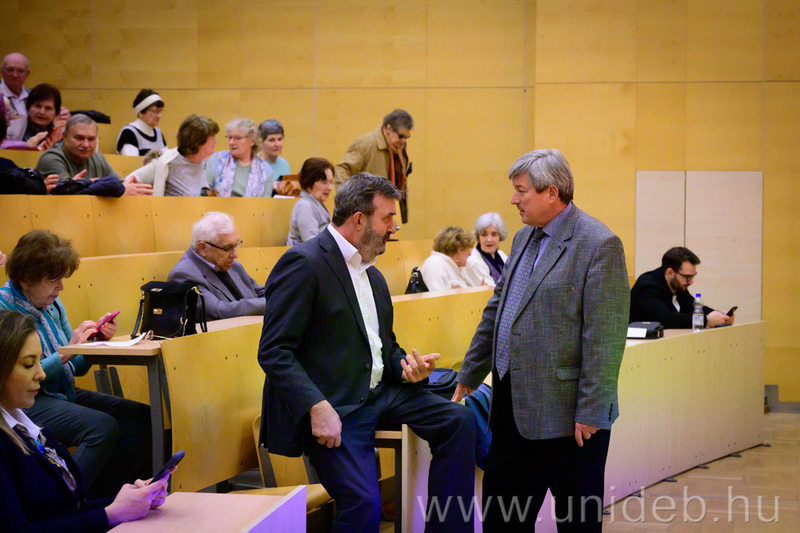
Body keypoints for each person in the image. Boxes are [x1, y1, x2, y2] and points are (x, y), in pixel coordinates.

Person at [259, 173, 476, 533]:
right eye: (388, 217)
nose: (394, 227)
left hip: (380, 394)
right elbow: (273, 351)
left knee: (459, 421)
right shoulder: (304, 263)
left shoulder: (372, 274)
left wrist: (405, 367)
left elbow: (383, 345)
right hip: (335, 405)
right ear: (359, 219)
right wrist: (316, 406)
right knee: (363, 505)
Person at [453, 149, 630, 531]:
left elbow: (606, 337)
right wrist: (469, 374)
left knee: (576, 524)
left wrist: (592, 410)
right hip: (510, 412)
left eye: (521, 191)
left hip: (571, 420)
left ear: (552, 193)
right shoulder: (522, 239)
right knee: (502, 522)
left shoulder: (599, 244)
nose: (513, 199)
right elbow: (498, 312)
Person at [0, 230, 152, 499]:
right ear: (25, 279)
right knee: (101, 428)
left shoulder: (52, 304)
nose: (61, 287)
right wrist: (69, 351)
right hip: (23, 399)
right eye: (53, 280)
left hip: (59, 390)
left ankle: (106, 497)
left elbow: (76, 368)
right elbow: (18, 375)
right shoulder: (5, 308)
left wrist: (92, 342)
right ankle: (65, 500)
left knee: (139, 417)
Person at [0, 310, 171, 533]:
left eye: (39, 362)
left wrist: (128, 501)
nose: (41, 374)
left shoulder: (33, 429)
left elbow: (69, 511)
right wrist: (110, 515)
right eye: (28, 365)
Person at [168, 212, 265, 320]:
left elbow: (261, 292)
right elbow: (218, 312)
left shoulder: (233, 265)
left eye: (236, 245)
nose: (235, 255)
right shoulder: (183, 275)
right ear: (203, 248)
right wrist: (269, 304)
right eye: (227, 248)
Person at [36, 114, 153, 196]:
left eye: (91, 139)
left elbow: (119, 184)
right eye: (79, 138)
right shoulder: (51, 158)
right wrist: (118, 190)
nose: (86, 145)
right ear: (65, 137)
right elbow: (69, 194)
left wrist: (126, 188)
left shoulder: (97, 157)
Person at [334, 109, 413, 222]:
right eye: (400, 136)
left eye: (406, 137)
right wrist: (347, 202)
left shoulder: (399, 148)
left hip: (388, 210)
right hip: (367, 212)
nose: (403, 141)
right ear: (388, 129)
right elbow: (342, 169)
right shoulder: (366, 143)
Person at [630, 246, 734, 329]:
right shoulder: (648, 285)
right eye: (687, 277)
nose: (691, 282)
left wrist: (720, 316)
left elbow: (694, 307)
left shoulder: (678, 287)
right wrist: (706, 320)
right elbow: (665, 319)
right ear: (670, 273)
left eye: (692, 276)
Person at [124, 114, 219, 196]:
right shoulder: (166, 162)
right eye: (213, 138)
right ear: (198, 141)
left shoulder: (202, 162)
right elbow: (130, 181)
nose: (216, 142)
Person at [205, 118, 274, 197]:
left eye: (237, 138)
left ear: (252, 141)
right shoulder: (217, 159)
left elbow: (265, 202)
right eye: (230, 138)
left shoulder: (265, 170)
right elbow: (205, 191)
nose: (231, 142)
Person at [286, 157, 334, 246]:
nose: (329, 187)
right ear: (309, 184)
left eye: (331, 182)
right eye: (324, 182)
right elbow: (312, 243)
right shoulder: (305, 206)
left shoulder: (318, 203)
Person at [419, 226, 481, 292]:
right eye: (468, 248)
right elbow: (437, 297)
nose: (469, 253)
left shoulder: (451, 266)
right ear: (459, 247)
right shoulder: (435, 264)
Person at [116, 89, 167, 157]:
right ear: (141, 113)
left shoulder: (158, 132)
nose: (159, 116)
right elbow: (131, 161)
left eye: (160, 111)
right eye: (155, 111)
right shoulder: (129, 133)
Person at [466, 212, 509, 287]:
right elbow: (492, 290)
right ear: (478, 237)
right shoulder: (473, 262)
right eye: (484, 235)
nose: (489, 240)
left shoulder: (502, 255)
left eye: (494, 234)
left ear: (500, 236)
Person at [1, 53, 30, 119]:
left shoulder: (33, 96)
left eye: (20, 71)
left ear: (27, 74)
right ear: (2, 71)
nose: (15, 75)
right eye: (10, 70)